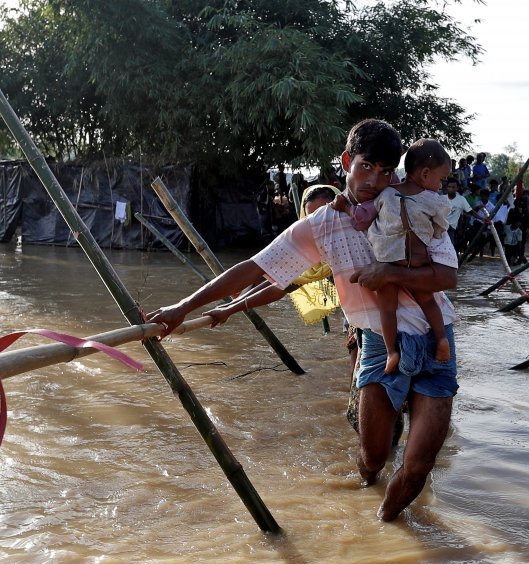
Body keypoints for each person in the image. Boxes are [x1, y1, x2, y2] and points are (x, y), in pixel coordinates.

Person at [146, 119, 459, 522]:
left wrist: (391, 274)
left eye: (385, 172)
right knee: (373, 457)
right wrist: (181, 308)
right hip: (378, 342)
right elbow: (256, 269)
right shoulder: (324, 223)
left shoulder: (410, 203)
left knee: (418, 467)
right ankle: (367, 494)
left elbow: (448, 277)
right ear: (347, 161)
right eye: (366, 167)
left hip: (437, 340)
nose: (375, 180)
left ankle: (380, 531)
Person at [337, 138, 452, 374]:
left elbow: (361, 218)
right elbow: (441, 228)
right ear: (426, 173)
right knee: (429, 302)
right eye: (441, 179)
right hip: (416, 264)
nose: (441, 185)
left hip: (387, 262)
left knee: (386, 310)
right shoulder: (433, 201)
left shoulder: (386, 194)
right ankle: (441, 339)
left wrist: (345, 208)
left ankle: (391, 352)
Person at [202, 185, 340, 327]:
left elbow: (279, 283)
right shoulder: (312, 250)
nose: (319, 225)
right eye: (312, 219)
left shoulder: (355, 235)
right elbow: (280, 282)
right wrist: (231, 307)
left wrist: (231, 308)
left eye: (323, 215)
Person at [444, 176, 473, 250]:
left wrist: (482, 218)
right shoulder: (442, 198)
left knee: (450, 247)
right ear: (446, 187)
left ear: (457, 188)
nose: (450, 189)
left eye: (453, 187)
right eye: (449, 187)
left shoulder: (461, 199)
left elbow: (470, 211)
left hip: (451, 227)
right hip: (440, 226)